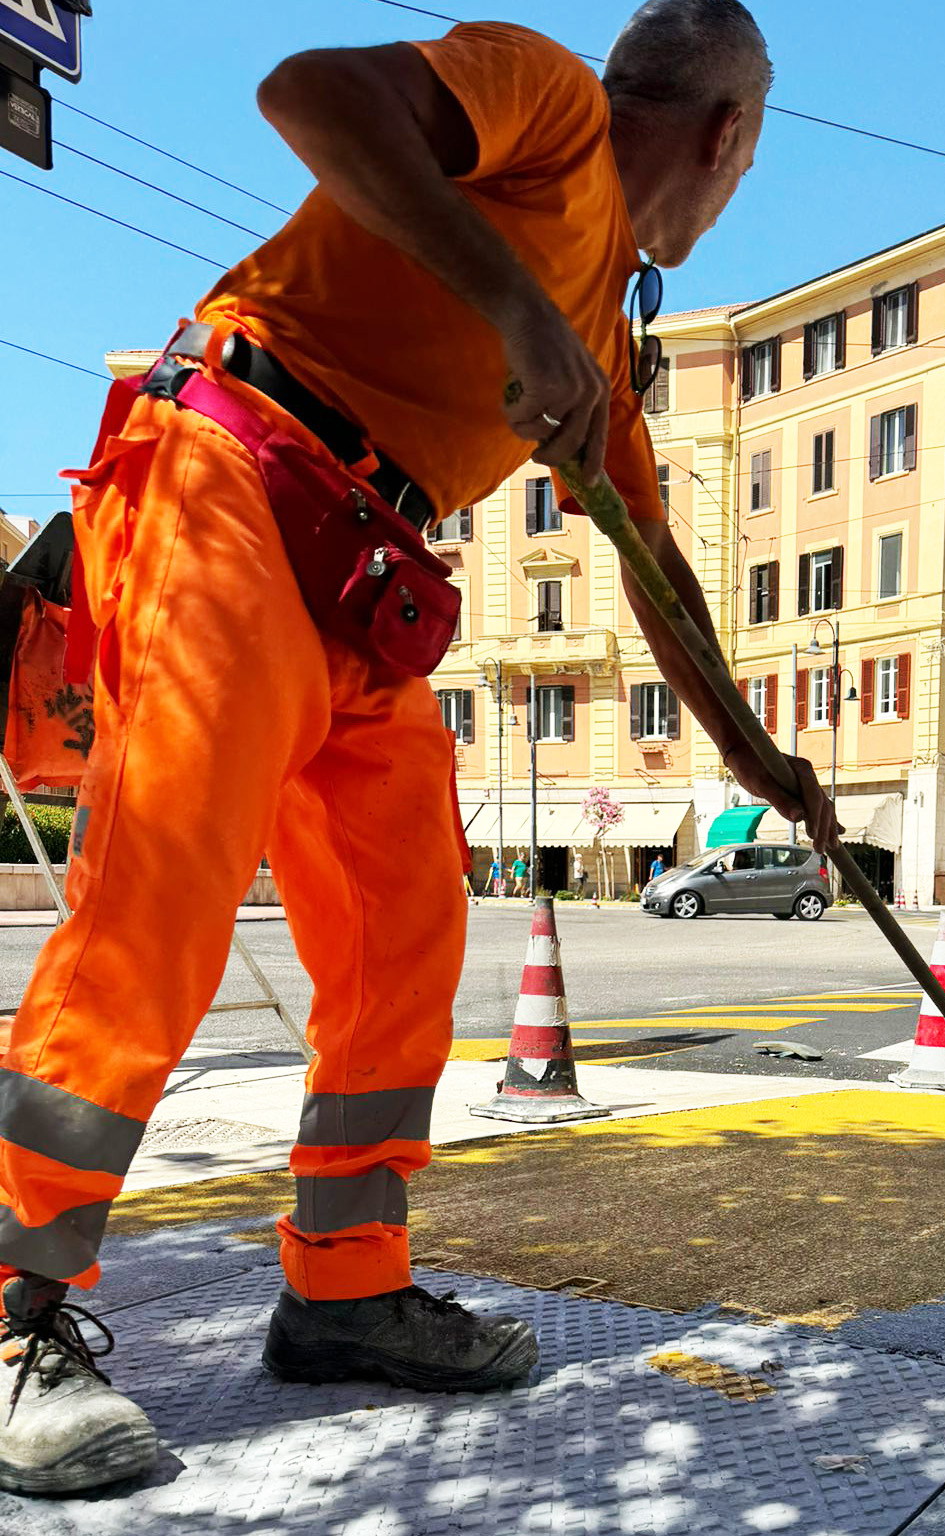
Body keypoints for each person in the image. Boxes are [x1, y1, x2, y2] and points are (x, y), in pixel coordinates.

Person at [0, 1, 837, 1497]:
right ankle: (9, 1312)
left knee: (405, 933)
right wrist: (514, 307)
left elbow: (657, 572)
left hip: (360, 570)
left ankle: (344, 1287)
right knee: (169, 890)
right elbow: (311, 94)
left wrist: (757, 759)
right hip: (234, 471)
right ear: (728, 139)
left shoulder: (604, 341)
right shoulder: (548, 102)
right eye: (748, 166)